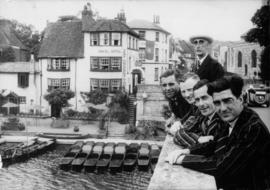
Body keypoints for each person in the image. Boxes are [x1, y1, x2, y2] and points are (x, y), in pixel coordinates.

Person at [166, 75, 270, 190]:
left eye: (227, 101)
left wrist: (183, 159)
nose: (223, 108)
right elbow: (214, 144)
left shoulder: (252, 127)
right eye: (217, 103)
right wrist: (187, 150)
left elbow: (222, 166)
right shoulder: (230, 119)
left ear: (241, 99)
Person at [174, 79, 229, 148]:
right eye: (197, 100)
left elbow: (211, 147)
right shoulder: (201, 116)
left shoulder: (224, 118)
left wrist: (194, 140)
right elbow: (179, 134)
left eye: (204, 98)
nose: (201, 104)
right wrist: (199, 139)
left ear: (214, 97)